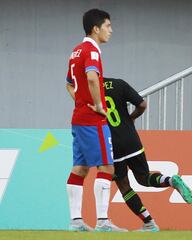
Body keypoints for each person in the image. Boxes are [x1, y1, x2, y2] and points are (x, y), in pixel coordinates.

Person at [103, 77, 192, 232]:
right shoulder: (118, 83)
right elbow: (142, 104)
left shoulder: (90, 92)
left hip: (112, 143)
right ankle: (171, 180)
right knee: (144, 178)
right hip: (132, 139)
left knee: (124, 186)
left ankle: (149, 223)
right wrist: (130, 119)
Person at [65, 9, 126, 232]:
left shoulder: (75, 51)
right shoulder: (91, 50)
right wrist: (99, 106)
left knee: (80, 168)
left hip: (79, 117)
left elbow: (69, 84)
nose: (111, 30)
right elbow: (92, 77)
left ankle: (75, 222)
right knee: (107, 167)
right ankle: (103, 222)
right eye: (108, 26)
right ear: (96, 28)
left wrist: (80, 101)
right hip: (93, 119)